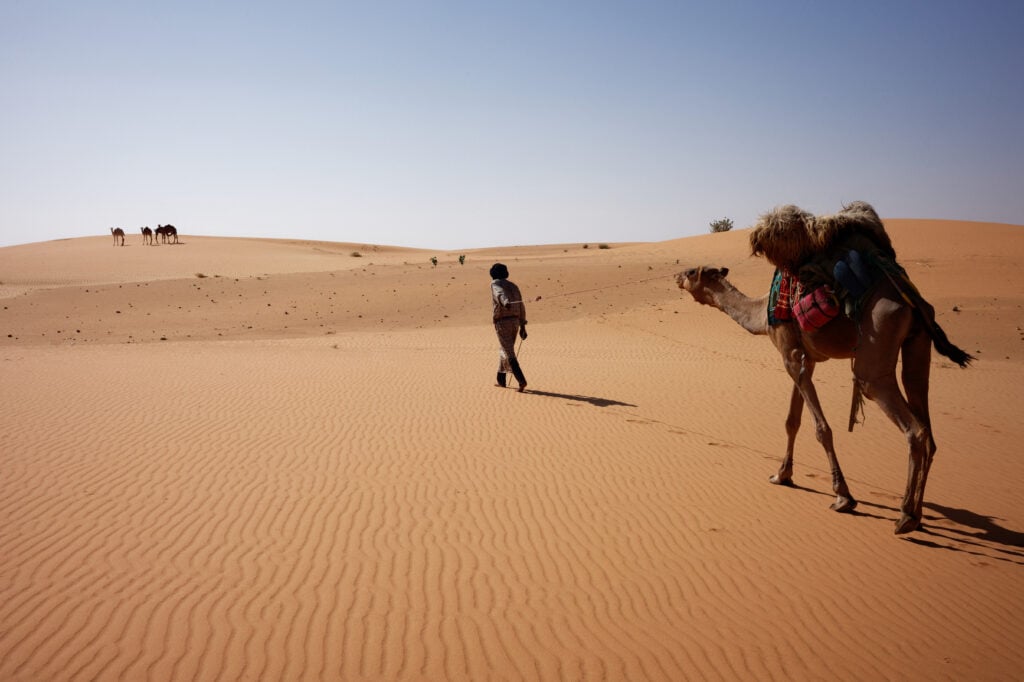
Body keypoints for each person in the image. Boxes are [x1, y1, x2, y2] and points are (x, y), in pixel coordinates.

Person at [489, 263, 528, 391]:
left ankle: (521, 380)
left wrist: (505, 302)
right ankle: (501, 379)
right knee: (505, 349)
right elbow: (521, 306)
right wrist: (522, 325)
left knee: (509, 352)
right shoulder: (514, 286)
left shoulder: (495, 283)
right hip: (515, 322)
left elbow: (499, 294)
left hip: (503, 322)